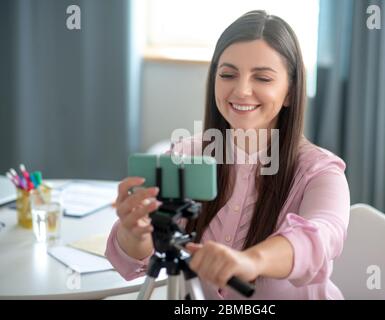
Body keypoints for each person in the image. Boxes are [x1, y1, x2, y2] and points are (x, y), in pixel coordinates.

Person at [105, 10, 350, 300]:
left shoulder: (320, 172)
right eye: (228, 74)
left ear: (289, 92)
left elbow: (320, 238)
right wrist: (136, 233)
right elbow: (136, 258)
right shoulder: (185, 154)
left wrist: (250, 261)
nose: (242, 90)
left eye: (262, 78)